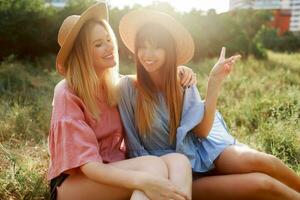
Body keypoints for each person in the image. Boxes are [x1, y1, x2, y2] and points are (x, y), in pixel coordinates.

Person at [118, 9, 300, 200]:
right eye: (142, 47)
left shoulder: (181, 81)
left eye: (156, 47)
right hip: (176, 175)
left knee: (264, 161)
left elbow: (202, 132)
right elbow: (134, 148)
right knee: (264, 184)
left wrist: (214, 82)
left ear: (169, 50)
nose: (148, 54)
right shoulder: (127, 88)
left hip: (203, 150)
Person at [48, 2, 196, 200]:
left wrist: (177, 71)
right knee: (151, 168)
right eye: (98, 44)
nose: (109, 47)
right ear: (81, 54)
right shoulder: (66, 92)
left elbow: (143, 80)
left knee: (179, 161)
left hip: (113, 168)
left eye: (108, 39)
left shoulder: (113, 85)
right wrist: (142, 181)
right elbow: (89, 166)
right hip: (75, 182)